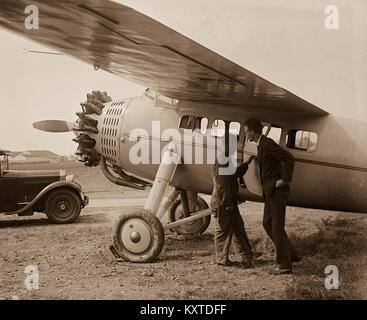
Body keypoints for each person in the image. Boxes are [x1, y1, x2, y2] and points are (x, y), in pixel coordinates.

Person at [243, 118, 300, 274]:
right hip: (269, 192)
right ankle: (292, 254)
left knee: (276, 227)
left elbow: (288, 158)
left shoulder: (267, 144)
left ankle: (285, 265)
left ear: (253, 132)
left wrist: (285, 180)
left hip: (276, 191)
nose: (245, 134)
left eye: (246, 131)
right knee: (267, 223)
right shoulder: (262, 145)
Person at [210, 152, 256, 268]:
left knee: (238, 228)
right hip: (223, 202)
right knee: (223, 230)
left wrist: (246, 164)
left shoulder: (226, 158)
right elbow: (221, 185)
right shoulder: (222, 160)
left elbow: (234, 173)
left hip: (229, 201)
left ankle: (246, 255)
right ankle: (221, 259)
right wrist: (228, 203)